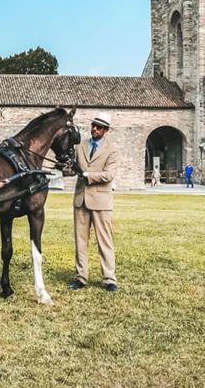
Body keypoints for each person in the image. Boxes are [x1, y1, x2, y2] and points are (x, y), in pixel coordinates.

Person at [69, 112, 119, 293]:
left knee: (104, 241)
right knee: (80, 241)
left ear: (106, 130)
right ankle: (81, 277)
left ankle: (109, 279)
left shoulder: (112, 150)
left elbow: (109, 175)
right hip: (80, 200)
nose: (94, 129)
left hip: (101, 202)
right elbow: (71, 170)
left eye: (99, 127)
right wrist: (66, 167)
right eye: (93, 126)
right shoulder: (80, 146)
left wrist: (87, 175)